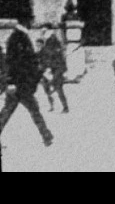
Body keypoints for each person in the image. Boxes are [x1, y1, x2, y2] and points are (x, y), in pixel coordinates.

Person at [0, 14, 54, 147]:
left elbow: (27, 60)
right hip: (20, 84)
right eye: (31, 21)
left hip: (22, 83)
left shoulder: (20, 36)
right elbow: (12, 62)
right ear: (26, 22)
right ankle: (46, 135)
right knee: (30, 110)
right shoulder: (17, 38)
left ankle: (47, 135)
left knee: (9, 112)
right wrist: (11, 82)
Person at [39, 31, 69, 113]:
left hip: (56, 70)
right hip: (50, 70)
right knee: (49, 87)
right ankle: (54, 105)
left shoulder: (53, 47)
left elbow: (58, 61)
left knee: (58, 88)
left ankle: (65, 107)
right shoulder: (46, 48)